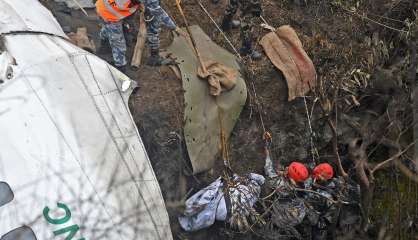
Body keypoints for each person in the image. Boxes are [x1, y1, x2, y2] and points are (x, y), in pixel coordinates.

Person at [96, 0, 142, 72]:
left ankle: (103, 47)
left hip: (104, 6)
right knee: (118, 41)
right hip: (109, 13)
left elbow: (130, 14)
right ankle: (120, 67)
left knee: (109, 29)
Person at [144, 0, 180, 66]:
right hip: (120, 12)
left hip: (126, 8)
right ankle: (154, 58)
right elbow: (159, 12)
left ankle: (129, 38)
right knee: (153, 28)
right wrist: (174, 27)